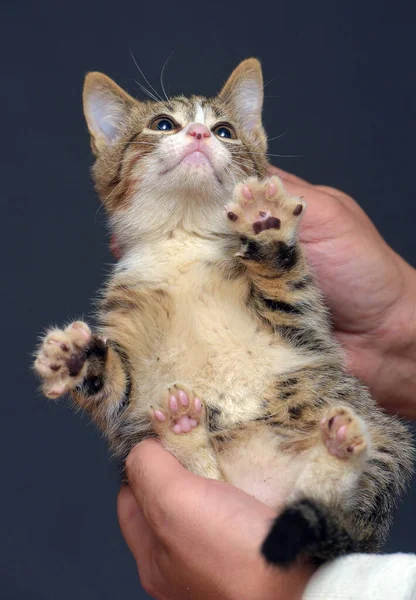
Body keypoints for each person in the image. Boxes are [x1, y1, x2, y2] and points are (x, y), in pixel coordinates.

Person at [117, 167, 416, 600]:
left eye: (224, 130)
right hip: (263, 443)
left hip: (279, 438)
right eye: (164, 127)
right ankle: (308, 485)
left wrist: (286, 590)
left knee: (387, 448)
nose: (196, 136)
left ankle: (303, 485)